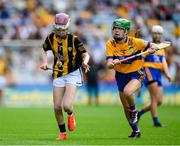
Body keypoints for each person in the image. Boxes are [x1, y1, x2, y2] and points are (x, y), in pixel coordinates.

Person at [40, 13, 90, 140]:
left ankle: (71, 113)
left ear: (67, 28)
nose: (61, 32)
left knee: (66, 105)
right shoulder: (50, 38)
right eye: (58, 29)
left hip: (73, 73)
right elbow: (43, 49)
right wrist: (45, 62)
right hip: (58, 72)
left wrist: (84, 62)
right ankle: (63, 133)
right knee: (57, 106)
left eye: (63, 29)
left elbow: (85, 54)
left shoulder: (74, 39)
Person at [105, 18, 158, 138]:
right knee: (125, 108)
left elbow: (153, 45)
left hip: (136, 74)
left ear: (126, 32)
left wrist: (152, 49)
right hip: (120, 76)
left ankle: (135, 111)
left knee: (128, 92)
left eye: (120, 29)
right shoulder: (110, 44)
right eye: (115, 28)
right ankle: (136, 130)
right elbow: (108, 64)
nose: (117, 31)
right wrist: (113, 62)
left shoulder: (136, 42)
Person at [138, 25, 172, 127]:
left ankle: (139, 113)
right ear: (152, 34)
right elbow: (141, 59)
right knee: (154, 98)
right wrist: (140, 72)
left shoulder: (162, 47)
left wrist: (167, 74)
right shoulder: (148, 46)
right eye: (155, 33)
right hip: (149, 71)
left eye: (159, 33)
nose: (157, 35)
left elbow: (163, 61)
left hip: (158, 72)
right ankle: (156, 121)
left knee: (159, 101)